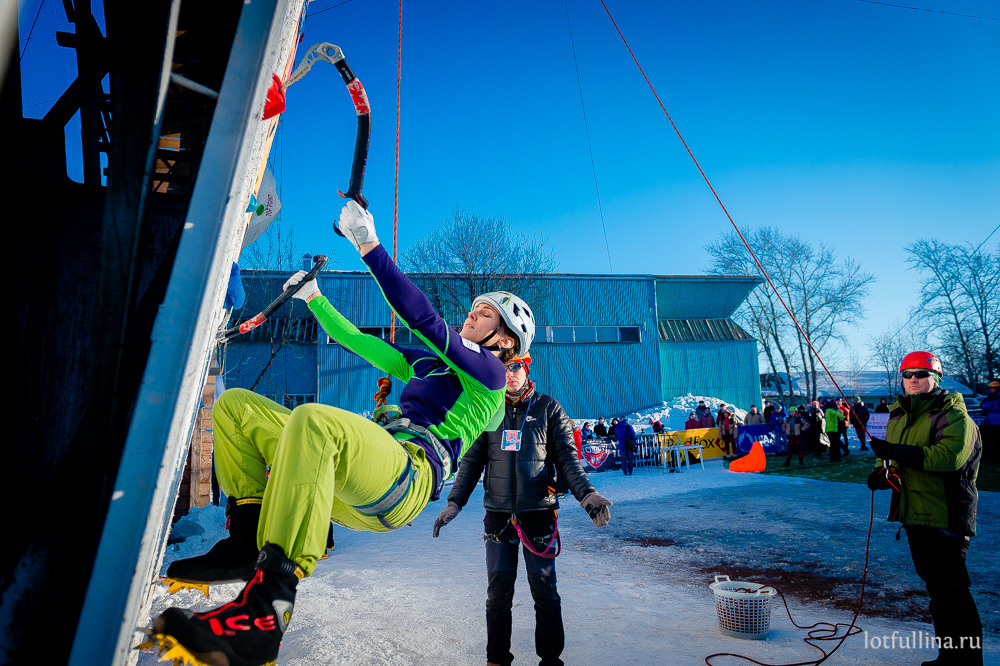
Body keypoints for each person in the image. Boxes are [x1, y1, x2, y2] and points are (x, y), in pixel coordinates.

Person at [150, 201, 538, 665]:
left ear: (507, 340)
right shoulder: (427, 363)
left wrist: (368, 246)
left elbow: (426, 321)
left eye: (485, 314)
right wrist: (314, 296)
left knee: (315, 422)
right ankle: (246, 539)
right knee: (236, 409)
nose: (472, 315)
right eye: (474, 309)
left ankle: (267, 611)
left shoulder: (491, 376)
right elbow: (358, 340)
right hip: (360, 481)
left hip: (407, 478)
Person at [433, 352, 612, 666]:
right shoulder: (487, 410)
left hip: (539, 516)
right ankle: (497, 659)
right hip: (499, 518)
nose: (509, 373)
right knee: (497, 594)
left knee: (545, 592)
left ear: (526, 368)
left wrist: (588, 494)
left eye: (515, 367)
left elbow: (569, 460)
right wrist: (454, 502)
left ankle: (550, 659)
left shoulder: (548, 408)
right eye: (502, 368)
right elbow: (472, 462)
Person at [868, 351, 982, 666]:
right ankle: (949, 657)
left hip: (946, 512)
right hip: (914, 513)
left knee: (953, 594)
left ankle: (967, 662)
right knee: (938, 593)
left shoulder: (954, 414)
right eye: (908, 374)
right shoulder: (898, 415)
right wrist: (882, 473)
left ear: (936, 378)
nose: (914, 379)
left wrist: (895, 452)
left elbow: (949, 457)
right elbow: (890, 460)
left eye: (921, 373)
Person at [979, 381, 999, 461]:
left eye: (992, 388)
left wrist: (991, 406)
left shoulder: (997, 397)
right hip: (990, 423)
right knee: (990, 440)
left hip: (998, 423)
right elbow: (983, 405)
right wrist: (992, 406)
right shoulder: (989, 397)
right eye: (990, 388)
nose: (990, 389)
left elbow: (996, 407)